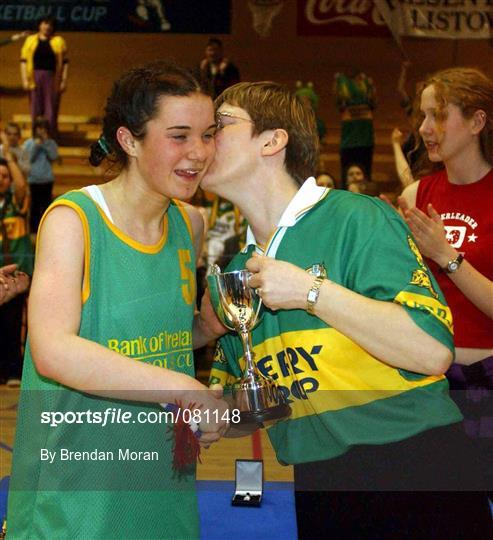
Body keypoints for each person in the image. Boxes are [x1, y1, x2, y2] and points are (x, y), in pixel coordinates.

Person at [202, 81, 493, 537]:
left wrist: (309, 291)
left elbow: (431, 351)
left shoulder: (357, 217)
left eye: (219, 125)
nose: (204, 137)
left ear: (273, 140)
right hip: (320, 482)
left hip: (414, 467)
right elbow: (264, 398)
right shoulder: (240, 269)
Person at [7, 61, 229, 539]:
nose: (199, 152)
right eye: (179, 135)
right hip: (76, 487)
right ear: (129, 140)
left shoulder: (190, 224)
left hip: (162, 476)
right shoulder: (74, 220)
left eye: (208, 134)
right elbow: (54, 349)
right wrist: (184, 390)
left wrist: (206, 328)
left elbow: (139, 339)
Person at [399, 67, 493, 502]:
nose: (423, 129)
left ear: (476, 122)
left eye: (437, 115)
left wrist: (446, 256)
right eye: (422, 116)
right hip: (430, 381)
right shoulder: (418, 195)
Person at [0, 133, 32, 386]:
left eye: (4, 176)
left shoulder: (17, 201)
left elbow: (22, 186)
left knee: (12, 323)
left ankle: (13, 370)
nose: (1, 180)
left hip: (15, 273)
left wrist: (9, 156)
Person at [20, 16, 68, 135]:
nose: (47, 27)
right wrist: (25, 79)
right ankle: (35, 135)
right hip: (34, 77)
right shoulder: (30, 40)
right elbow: (23, 61)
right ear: (40, 25)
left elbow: (65, 63)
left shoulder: (58, 41)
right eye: (45, 23)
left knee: (50, 107)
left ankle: (49, 135)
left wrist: (63, 80)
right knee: (35, 107)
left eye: (50, 24)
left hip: (52, 77)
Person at [334, 70, 375, 188]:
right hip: (349, 138)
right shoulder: (341, 85)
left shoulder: (366, 84)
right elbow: (340, 103)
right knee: (347, 169)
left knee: (365, 170)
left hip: (365, 136)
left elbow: (373, 102)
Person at [23, 116, 58, 233]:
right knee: (34, 207)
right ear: (35, 129)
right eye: (39, 128)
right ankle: (33, 231)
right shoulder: (28, 143)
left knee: (46, 206)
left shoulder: (51, 143)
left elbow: (54, 157)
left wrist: (45, 145)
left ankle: (47, 231)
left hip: (47, 179)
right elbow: (29, 159)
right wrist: (36, 145)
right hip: (33, 180)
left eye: (43, 128)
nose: (41, 130)